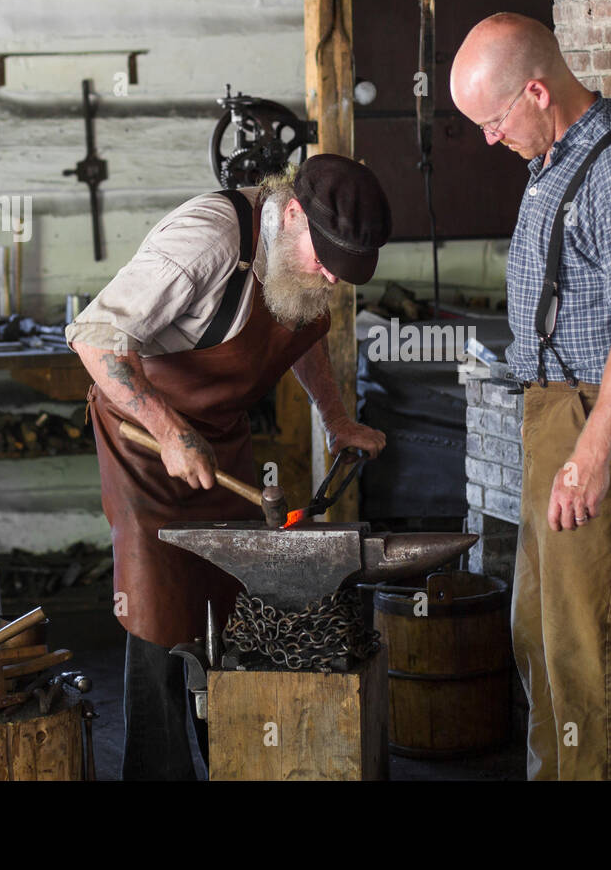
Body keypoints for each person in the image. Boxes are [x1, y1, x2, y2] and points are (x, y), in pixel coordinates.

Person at [66, 154, 390, 779]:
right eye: (323, 260)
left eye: (339, 272)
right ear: (292, 212)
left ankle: (234, 759)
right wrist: (168, 431)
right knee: (160, 610)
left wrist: (336, 419)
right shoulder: (207, 240)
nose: (327, 277)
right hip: (145, 443)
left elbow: (304, 331)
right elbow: (94, 336)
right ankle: (157, 770)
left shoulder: (303, 264)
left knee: (235, 601)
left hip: (220, 440)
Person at [450, 12, 611, 780]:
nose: (491, 139)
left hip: (610, 419)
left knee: (597, 653)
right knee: (545, 635)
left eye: (494, 120)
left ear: (535, 90)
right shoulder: (557, 160)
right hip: (561, 413)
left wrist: (592, 457)